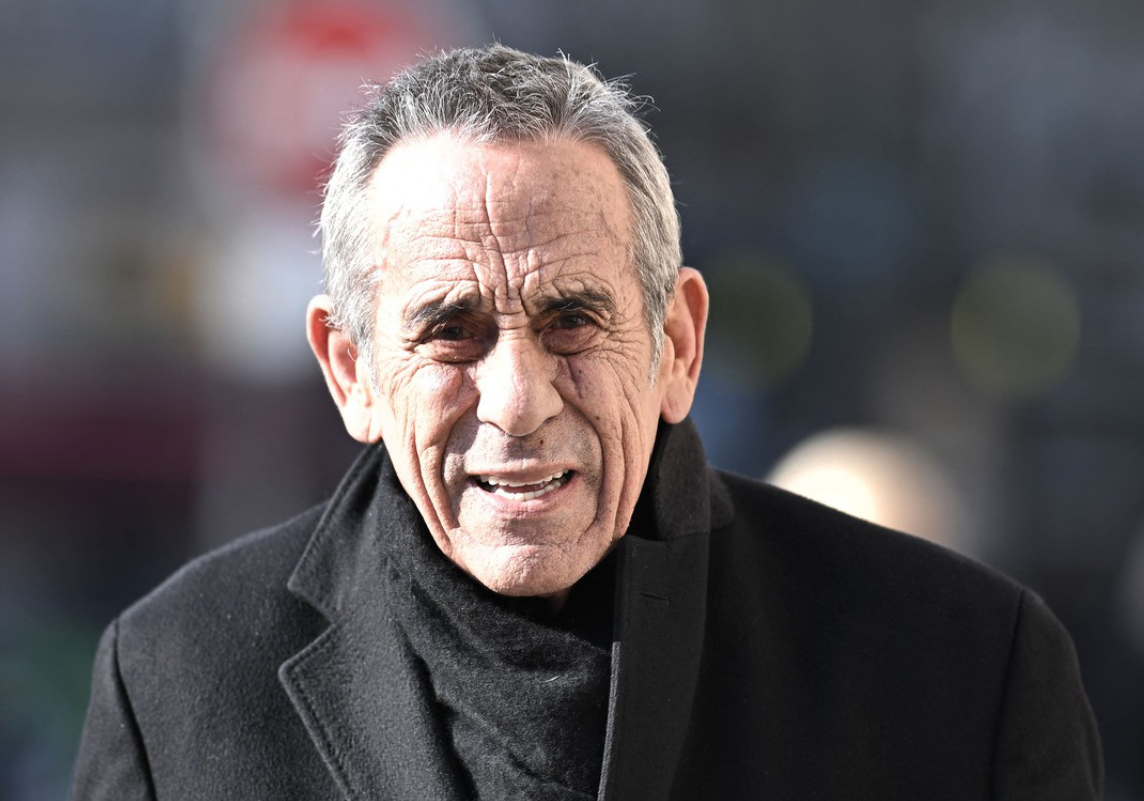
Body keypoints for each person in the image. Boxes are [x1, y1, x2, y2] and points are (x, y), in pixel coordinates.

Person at [71, 45, 1101, 800]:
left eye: (571, 321)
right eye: (451, 332)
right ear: (352, 371)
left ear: (677, 346)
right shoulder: (178, 684)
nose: (517, 399)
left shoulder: (962, 671)